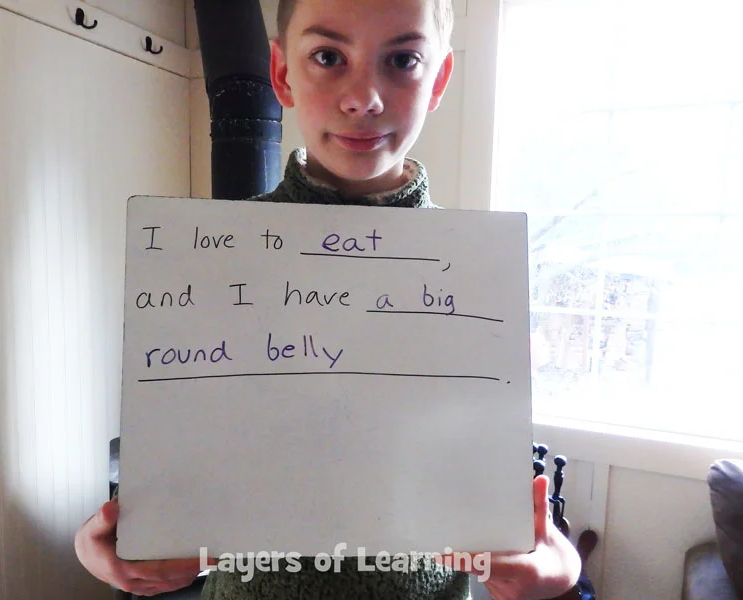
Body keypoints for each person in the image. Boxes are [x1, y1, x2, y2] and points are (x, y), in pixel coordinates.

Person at [74, 0, 582, 598]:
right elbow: (168, 485)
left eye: (403, 59)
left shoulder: (477, 277)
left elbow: (506, 507)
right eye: (327, 57)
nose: (364, 96)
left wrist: (561, 567)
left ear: (439, 78)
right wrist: (106, 545)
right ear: (283, 75)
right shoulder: (208, 261)